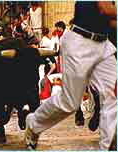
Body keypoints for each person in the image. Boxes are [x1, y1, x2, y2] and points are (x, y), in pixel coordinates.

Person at [24, 1, 117, 150]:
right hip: (80, 42)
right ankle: (33, 124)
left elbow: (112, 21)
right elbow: (105, 8)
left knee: (113, 95)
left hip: (104, 44)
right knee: (70, 103)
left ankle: (107, 147)